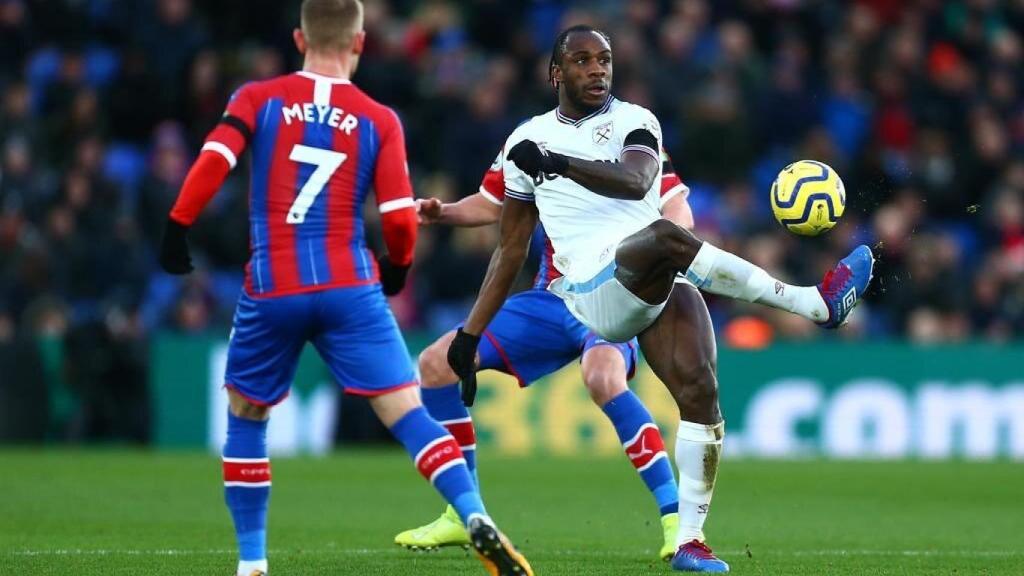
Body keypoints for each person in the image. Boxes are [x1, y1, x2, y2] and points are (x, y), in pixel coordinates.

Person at [446, 25, 875, 573]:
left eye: (604, 59)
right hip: (586, 292)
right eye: (581, 61)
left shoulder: (634, 121)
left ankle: (691, 542)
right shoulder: (522, 142)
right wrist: (470, 334)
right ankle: (817, 305)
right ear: (556, 73)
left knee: (701, 393)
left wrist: (559, 163)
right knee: (668, 241)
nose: (597, 69)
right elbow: (509, 250)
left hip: (648, 272)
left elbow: (635, 179)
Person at [157, 2, 532, 575]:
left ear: (298, 38)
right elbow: (400, 217)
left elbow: (216, 158)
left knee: (246, 413)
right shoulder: (379, 118)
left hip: (274, 280)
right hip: (349, 283)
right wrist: (399, 268)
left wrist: (178, 225)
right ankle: (474, 512)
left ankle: (253, 563)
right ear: (360, 44)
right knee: (407, 411)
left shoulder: (257, 98)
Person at [394, 147, 716, 563]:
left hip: (611, 296)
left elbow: (680, 214)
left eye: (601, 74)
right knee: (437, 364)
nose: (596, 77)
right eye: (584, 73)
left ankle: (676, 521)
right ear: (557, 77)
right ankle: (463, 512)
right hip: (552, 298)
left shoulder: (636, 139)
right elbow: (492, 203)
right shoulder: (532, 140)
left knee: (602, 377)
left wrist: (654, 260)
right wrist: (442, 213)